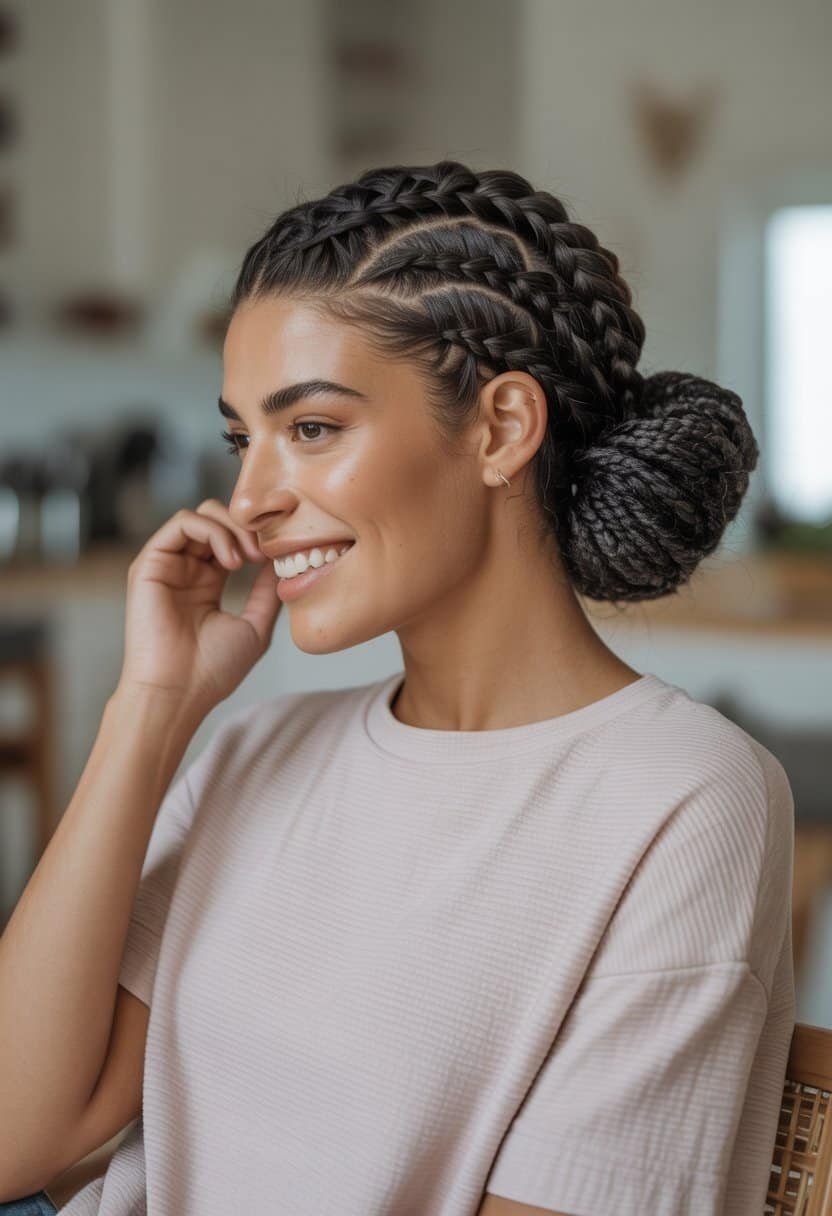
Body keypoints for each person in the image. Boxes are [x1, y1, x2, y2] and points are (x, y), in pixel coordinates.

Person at [0, 160, 794, 1215]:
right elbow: (16, 1140)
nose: (248, 498)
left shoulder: (682, 798)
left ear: (503, 428)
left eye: (312, 428)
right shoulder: (252, 749)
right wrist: (149, 710)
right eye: (244, 437)